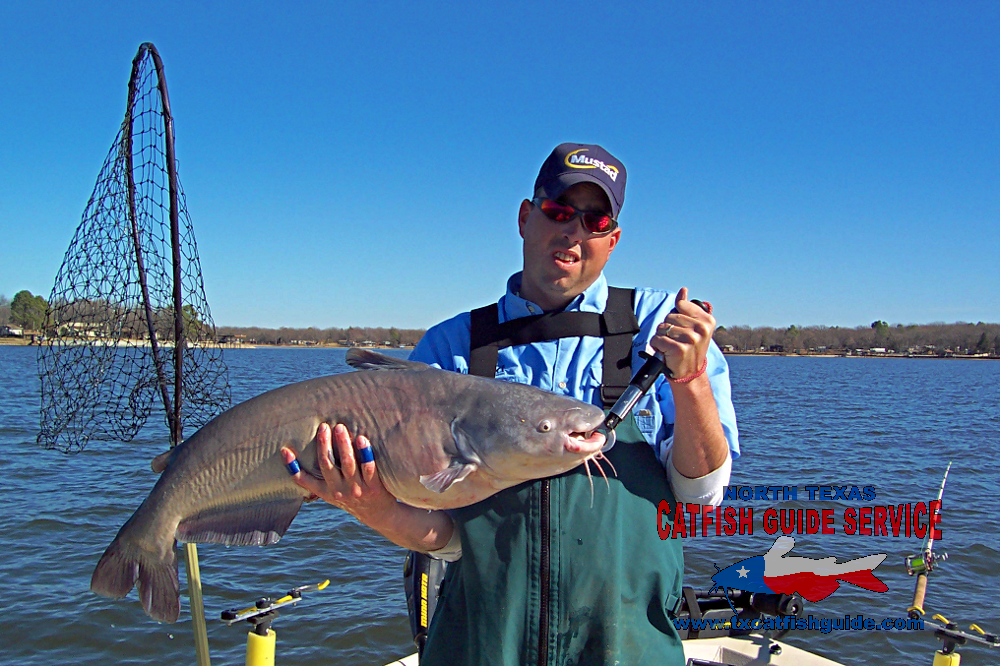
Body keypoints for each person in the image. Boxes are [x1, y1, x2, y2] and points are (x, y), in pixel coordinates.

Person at [283, 143, 740, 665]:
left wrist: (693, 380)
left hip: (626, 647)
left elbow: (700, 496)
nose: (574, 232)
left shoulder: (661, 328)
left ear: (612, 239)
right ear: (526, 217)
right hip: (480, 646)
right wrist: (375, 508)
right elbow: (448, 539)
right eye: (559, 211)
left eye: (595, 220)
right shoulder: (450, 349)